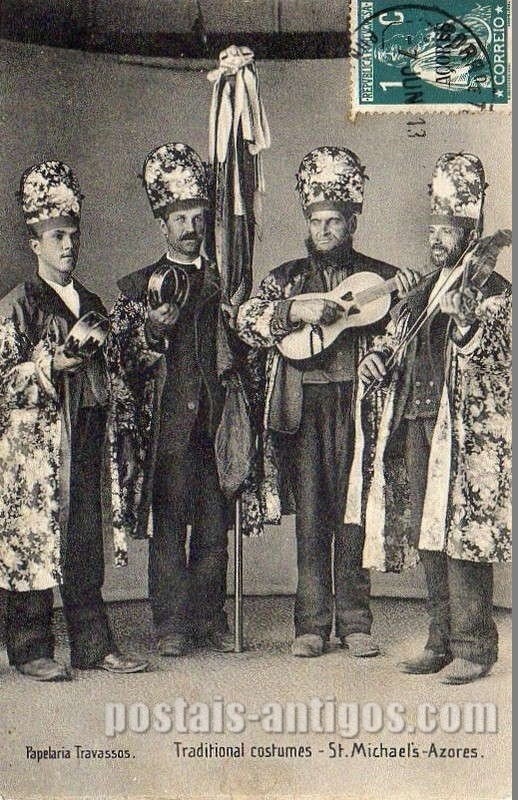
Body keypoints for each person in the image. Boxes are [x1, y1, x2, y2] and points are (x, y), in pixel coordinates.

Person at [236, 147, 419, 658]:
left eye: (334, 221)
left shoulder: (379, 275)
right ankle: (310, 626)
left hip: (357, 410)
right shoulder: (287, 277)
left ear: (353, 221)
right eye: (316, 221)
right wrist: (292, 308)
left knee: (353, 514)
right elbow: (245, 322)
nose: (323, 231)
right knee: (314, 517)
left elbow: (407, 333)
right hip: (305, 410)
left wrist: (406, 300)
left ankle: (356, 622)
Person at [358, 153, 511, 684]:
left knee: (461, 536)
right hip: (416, 422)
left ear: (470, 229)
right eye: (434, 227)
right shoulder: (422, 289)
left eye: (448, 229)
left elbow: (496, 357)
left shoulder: (493, 290)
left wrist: (467, 324)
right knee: (428, 536)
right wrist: (377, 358)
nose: (438, 238)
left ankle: (474, 645)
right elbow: (391, 341)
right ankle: (439, 638)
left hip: (463, 433)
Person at [0, 161, 148, 680]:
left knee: (84, 540)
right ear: (36, 242)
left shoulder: (92, 303)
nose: (67, 245)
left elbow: (116, 375)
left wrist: (122, 429)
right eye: (57, 236)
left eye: (72, 234)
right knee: (35, 537)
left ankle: (92, 644)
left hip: (86, 432)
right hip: (36, 449)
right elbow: (3, 379)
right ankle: (30, 647)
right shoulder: (18, 306)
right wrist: (47, 366)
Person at [109, 143, 233, 657]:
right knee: (168, 534)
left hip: (216, 424)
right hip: (167, 430)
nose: (189, 227)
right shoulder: (138, 287)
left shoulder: (227, 280)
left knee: (213, 532)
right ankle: (170, 625)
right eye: (179, 218)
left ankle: (210, 620)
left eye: (196, 217)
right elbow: (121, 364)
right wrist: (151, 337)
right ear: (163, 224)